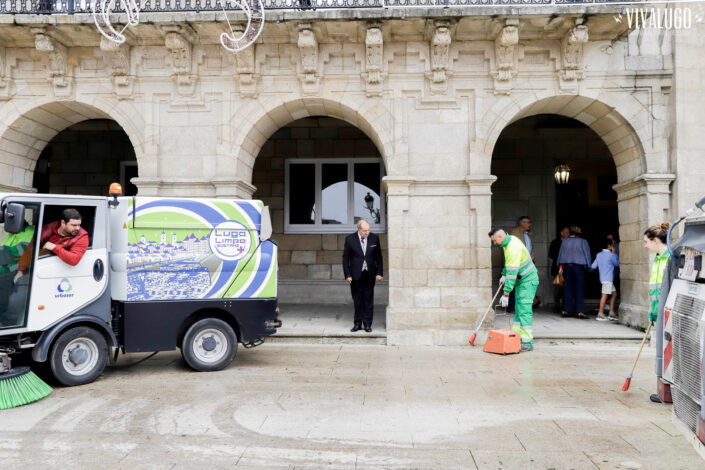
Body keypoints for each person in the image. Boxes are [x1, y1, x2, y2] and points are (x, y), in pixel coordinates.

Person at [489, 227, 539, 352]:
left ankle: (527, 343)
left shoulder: (512, 248)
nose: (495, 243)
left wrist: (506, 294)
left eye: (495, 241)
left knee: (524, 311)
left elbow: (512, 273)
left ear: (500, 237)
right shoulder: (510, 241)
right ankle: (516, 338)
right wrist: (503, 273)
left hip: (527, 282)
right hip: (522, 281)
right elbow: (509, 263)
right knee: (519, 310)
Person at [15, 208, 89, 283]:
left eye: (79, 225)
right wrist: (21, 270)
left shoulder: (82, 236)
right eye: (74, 225)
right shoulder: (47, 229)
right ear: (63, 223)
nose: (77, 228)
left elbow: (74, 259)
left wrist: (54, 247)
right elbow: (30, 250)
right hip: (41, 270)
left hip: (64, 275)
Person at [643, 222, 671, 404]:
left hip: (669, 314)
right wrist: (652, 311)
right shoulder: (657, 259)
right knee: (662, 353)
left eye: (646, 241)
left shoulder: (670, 258)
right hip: (658, 313)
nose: (645, 245)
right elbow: (655, 290)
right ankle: (664, 389)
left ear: (655, 240)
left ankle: (669, 389)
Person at [343, 219, 383, 333]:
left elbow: (379, 257)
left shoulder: (375, 238)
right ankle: (357, 323)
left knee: (368, 300)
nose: (367, 232)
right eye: (365, 230)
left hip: (369, 274)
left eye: (368, 230)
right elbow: (345, 258)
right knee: (357, 300)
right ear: (359, 229)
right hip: (355, 275)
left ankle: (367, 324)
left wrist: (379, 272)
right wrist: (347, 274)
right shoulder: (350, 239)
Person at [557, 225, 592, 319]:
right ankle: (580, 311)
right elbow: (587, 254)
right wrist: (589, 266)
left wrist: (559, 266)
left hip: (566, 267)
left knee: (566, 288)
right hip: (578, 267)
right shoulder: (583, 241)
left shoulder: (564, 241)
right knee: (579, 288)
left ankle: (566, 310)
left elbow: (560, 254)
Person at [508, 216, 534, 312]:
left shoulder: (528, 234)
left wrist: (532, 255)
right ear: (522, 223)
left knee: (525, 285)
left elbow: (530, 247)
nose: (529, 224)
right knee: (514, 285)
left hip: (527, 263)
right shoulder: (514, 232)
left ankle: (522, 307)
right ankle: (512, 306)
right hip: (517, 263)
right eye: (528, 222)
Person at [589, 238, 620, 321]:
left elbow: (593, 266)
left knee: (614, 294)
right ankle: (600, 313)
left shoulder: (599, 254)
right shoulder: (611, 255)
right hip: (608, 278)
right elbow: (617, 264)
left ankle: (611, 312)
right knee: (604, 295)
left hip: (603, 278)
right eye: (612, 245)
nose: (614, 247)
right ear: (609, 246)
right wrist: (615, 254)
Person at [549, 226, 570, 312]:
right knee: (557, 288)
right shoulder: (555, 242)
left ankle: (566, 305)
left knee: (567, 288)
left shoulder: (570, 242)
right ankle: (557, 306)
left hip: (568, 267)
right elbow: (550, 254)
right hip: (557, 268)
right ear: (561, 233)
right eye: (566, 232)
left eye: (568, 232)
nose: (568, 234)